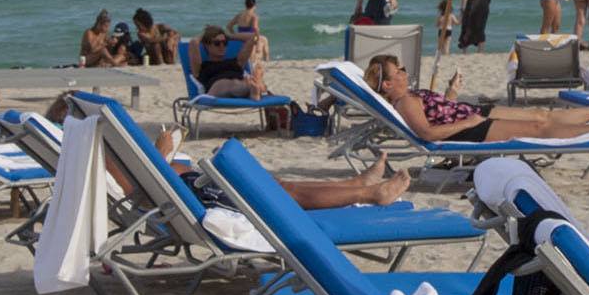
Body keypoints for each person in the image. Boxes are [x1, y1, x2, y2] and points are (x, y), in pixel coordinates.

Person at [47, 93, 409, 210]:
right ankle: (368, 193)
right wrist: (162, 151)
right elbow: (136, 189)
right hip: (187, 197)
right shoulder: (97, 157)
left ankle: (358, 182)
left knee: (279, 184)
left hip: (188, 185)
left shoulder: (89, 154)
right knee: (283, 193)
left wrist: (171, 157)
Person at [362, 54, 589, 143]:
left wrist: (452, 92)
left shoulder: (409, 97)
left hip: (473, 114)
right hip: (472, 127)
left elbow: (440, 111)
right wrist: (468, 124)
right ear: (387, 84)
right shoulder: (404, 102)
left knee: (541, 115)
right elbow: (428, 134)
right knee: (538, 128)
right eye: (400, 72)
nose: (406, 73)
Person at [230, 0, 269, 66]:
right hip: (250, 38)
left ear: (245, 5)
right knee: (265, 40)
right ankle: (267, 61)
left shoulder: (239, 15)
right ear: (254, 5)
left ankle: (265, 61)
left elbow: (229, 26)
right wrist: (257, 42)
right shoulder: (254, 16)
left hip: (240, 37)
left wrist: (235, 35)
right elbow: (255, 28)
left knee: (262, 39)